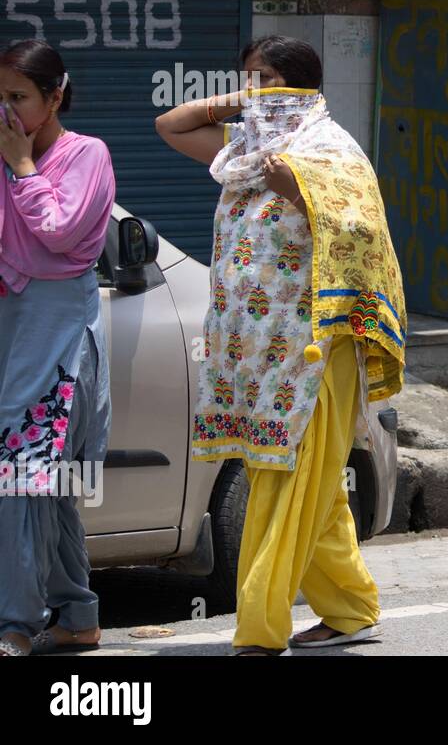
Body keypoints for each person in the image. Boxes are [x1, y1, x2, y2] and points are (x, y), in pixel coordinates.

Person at [156, 36, 406, 654]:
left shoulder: (329, 150)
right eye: (249, 79)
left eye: (268, 80)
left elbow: (358, 229)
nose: (257, 93)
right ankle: (351, 610)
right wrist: (242, 100)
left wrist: (298, 190)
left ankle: (260, 630)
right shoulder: (245, 148)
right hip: (258, 348)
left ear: (301, 87)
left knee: (284, 475)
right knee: (314, 486)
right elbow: (171, 123)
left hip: (314, 348)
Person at [0, 40, 115, 657]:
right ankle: (77, 615)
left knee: (21, 479)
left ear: (55, 96)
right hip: (13, 333)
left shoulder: (87, 155)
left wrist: (22, 167)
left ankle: (15, 623)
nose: (7, 110)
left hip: (59, 345)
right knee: (50, 485)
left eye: (18, 97)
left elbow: (60, 230)